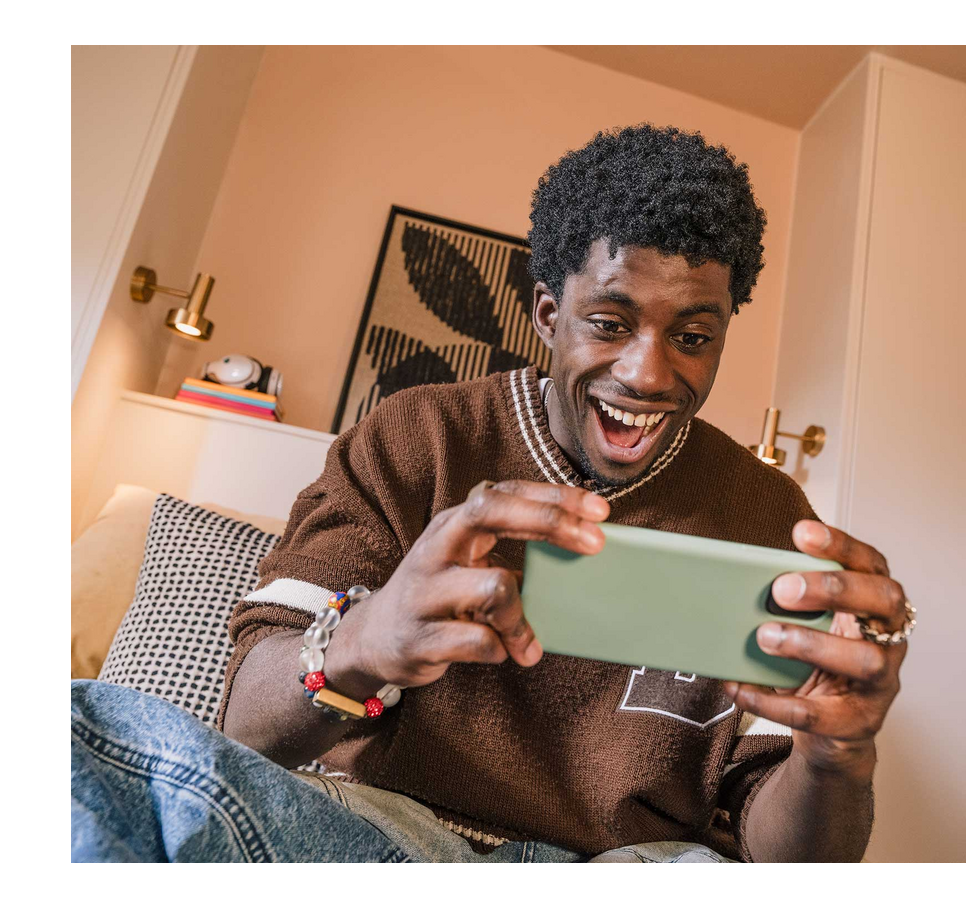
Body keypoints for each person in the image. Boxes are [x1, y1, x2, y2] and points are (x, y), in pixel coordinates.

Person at [71, 124, 911, 863]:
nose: (648, 374)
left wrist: (840, 755)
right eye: (609, 324)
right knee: (72, 736)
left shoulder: (772, 519)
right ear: (548, 313)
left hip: (634, 869)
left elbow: (786, 861)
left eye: (692, 336)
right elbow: (245, 729)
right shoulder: (414, 437)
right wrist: (365, 640)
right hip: (378, 833)